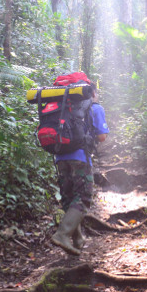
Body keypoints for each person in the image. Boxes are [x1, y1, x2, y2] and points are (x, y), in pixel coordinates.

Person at [50, 80, 109, 255]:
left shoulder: (60, 109)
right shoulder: (95, 108)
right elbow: (102, 136)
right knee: (83, 198)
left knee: (69, 198)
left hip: (60, 157)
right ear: (92, 93)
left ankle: (77, 239)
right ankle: (62, 234)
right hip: (80, 158)